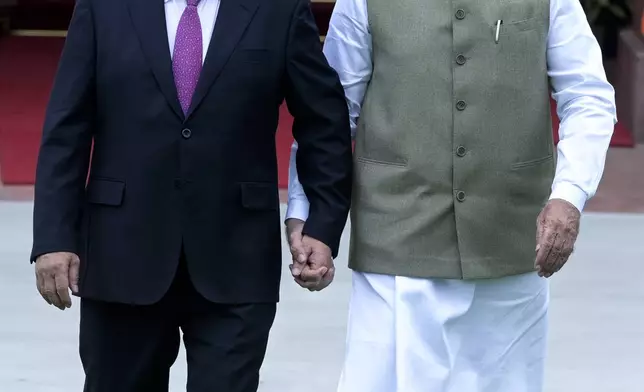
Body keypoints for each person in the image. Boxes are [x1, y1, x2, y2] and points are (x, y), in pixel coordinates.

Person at [286, 0, 617, 390]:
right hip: (394, 241)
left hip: (509, 243)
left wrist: (570, 193)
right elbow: (332, 114)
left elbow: (587, 96)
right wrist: (310, 217)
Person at [30, 0, 353, 390]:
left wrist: (322, 223)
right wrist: (54, 237)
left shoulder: (278, 9)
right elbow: (67, 128)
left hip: (236, 257)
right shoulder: (104, 7)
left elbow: (324, 121)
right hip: (123, 254)